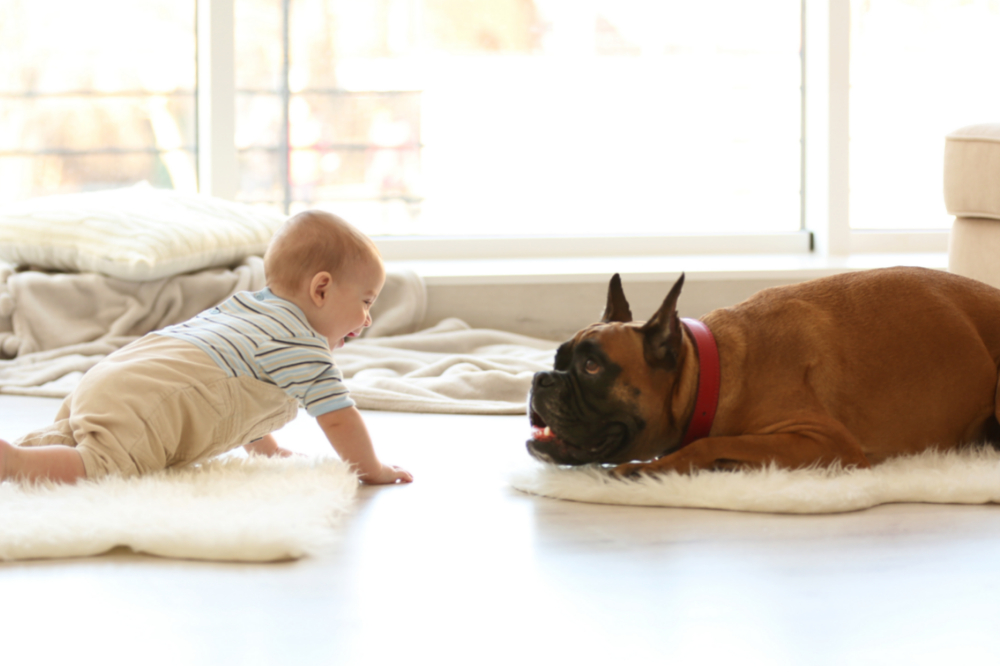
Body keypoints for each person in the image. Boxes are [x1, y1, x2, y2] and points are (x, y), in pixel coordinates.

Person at [0, 210, 413, 486]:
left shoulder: (248, 308)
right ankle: (17, 465)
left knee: (77, 436)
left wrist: (266, 449)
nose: (367, 319)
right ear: (321, 288)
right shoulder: (302, 342)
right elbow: (339, 418)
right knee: (103, 465)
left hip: (115, 374)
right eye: (365, 301)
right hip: (150, 399)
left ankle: (22, 451)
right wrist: (370, 469)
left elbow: (237, 384)